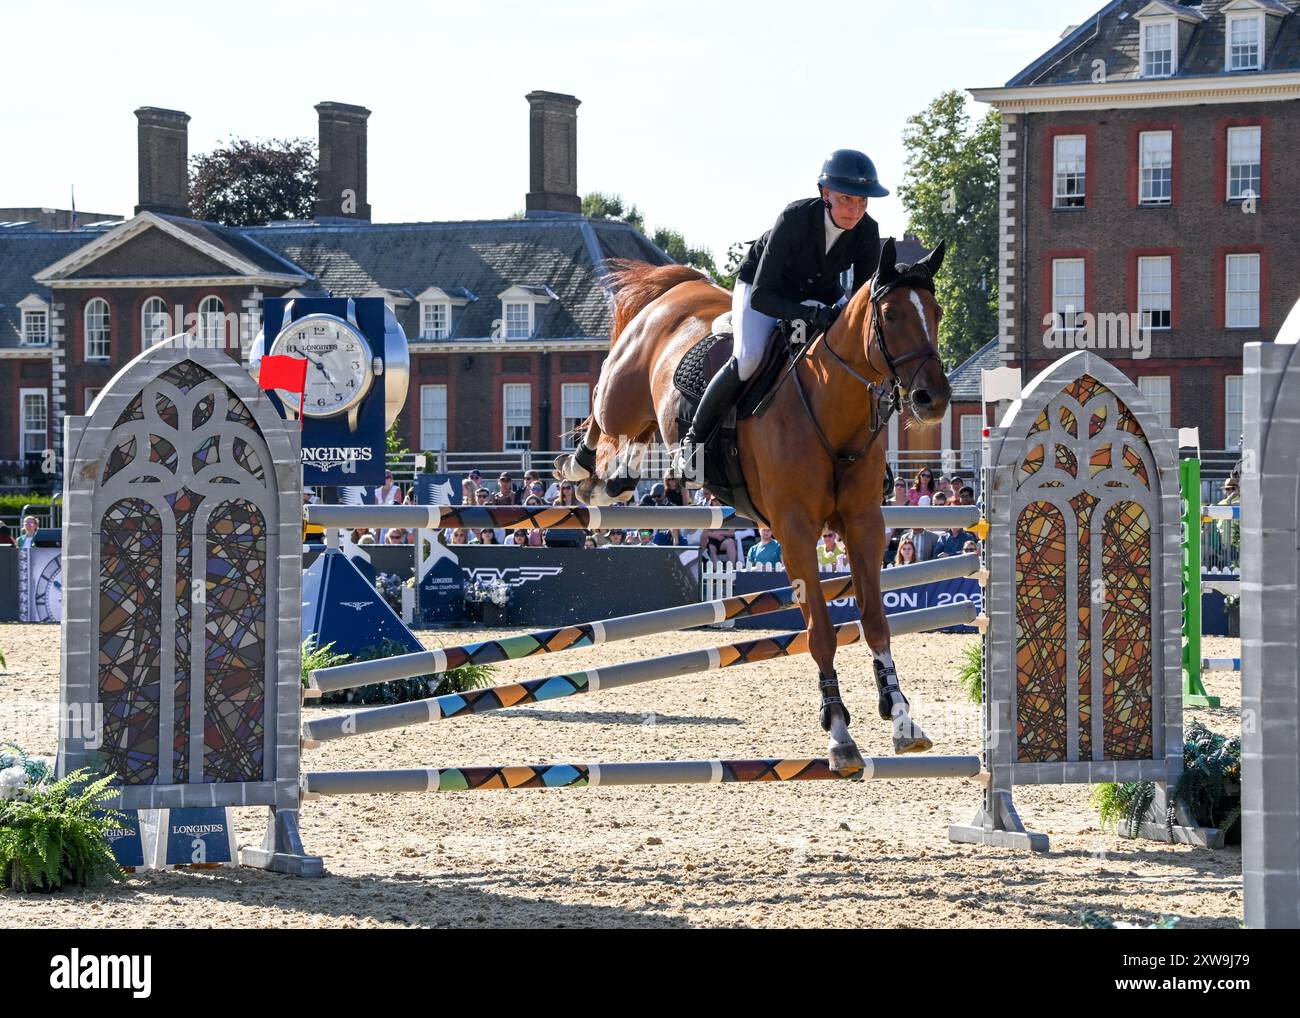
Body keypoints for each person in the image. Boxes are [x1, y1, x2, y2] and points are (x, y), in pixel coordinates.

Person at [678, 149, 888, 470]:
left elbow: (860, 299)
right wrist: (811, 315)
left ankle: (870, 455)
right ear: (825, 194)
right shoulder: (795, 218)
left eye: (862, 202)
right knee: (748, 358)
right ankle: (694, 441)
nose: (855, 210)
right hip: (762, 289)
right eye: (847, 199)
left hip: (818, 292)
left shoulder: (868, 233)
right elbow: (763, 296)